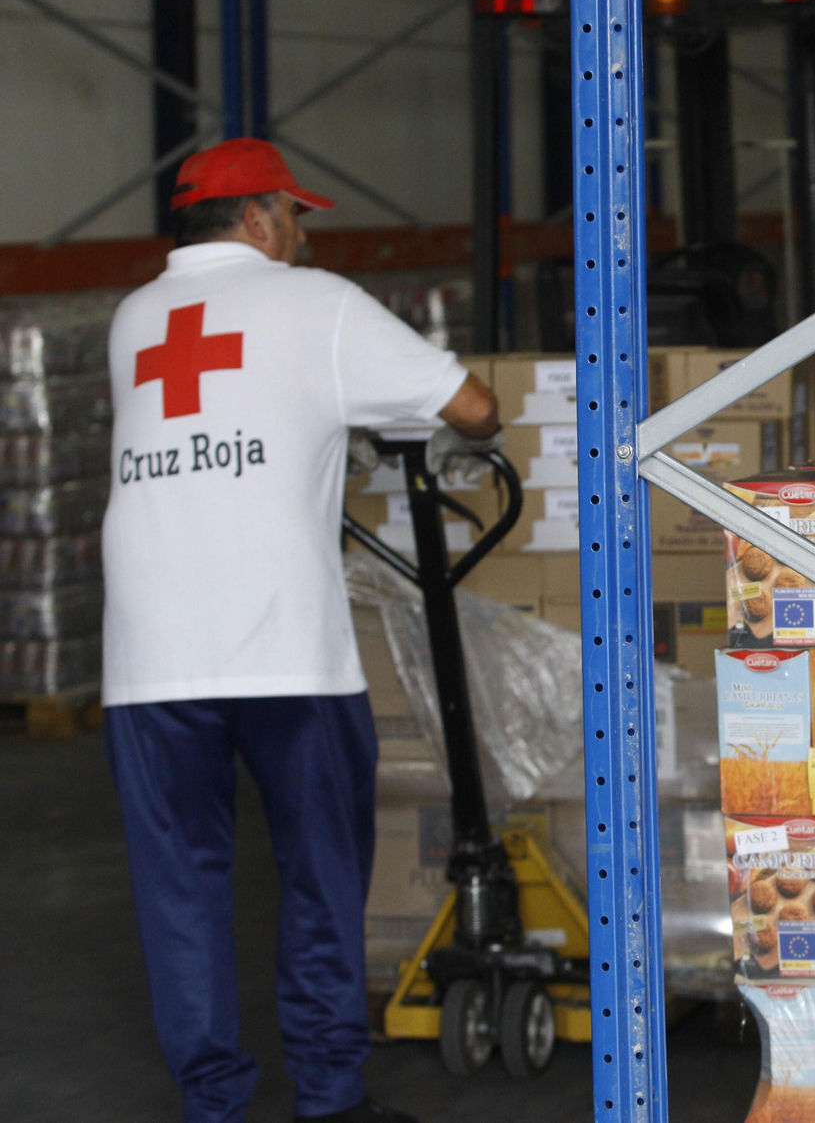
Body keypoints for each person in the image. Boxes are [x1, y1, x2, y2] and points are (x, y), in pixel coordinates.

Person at [101, 138, 500, 1123]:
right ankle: (328, 1101)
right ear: (254, 218)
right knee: (318, 876)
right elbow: (477, 408)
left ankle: (214, 1108)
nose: (304, 231)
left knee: (181, 897)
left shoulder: (133, 317)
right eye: (295, 213)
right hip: (282, 648)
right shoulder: (315, 303)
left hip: (147, 658)